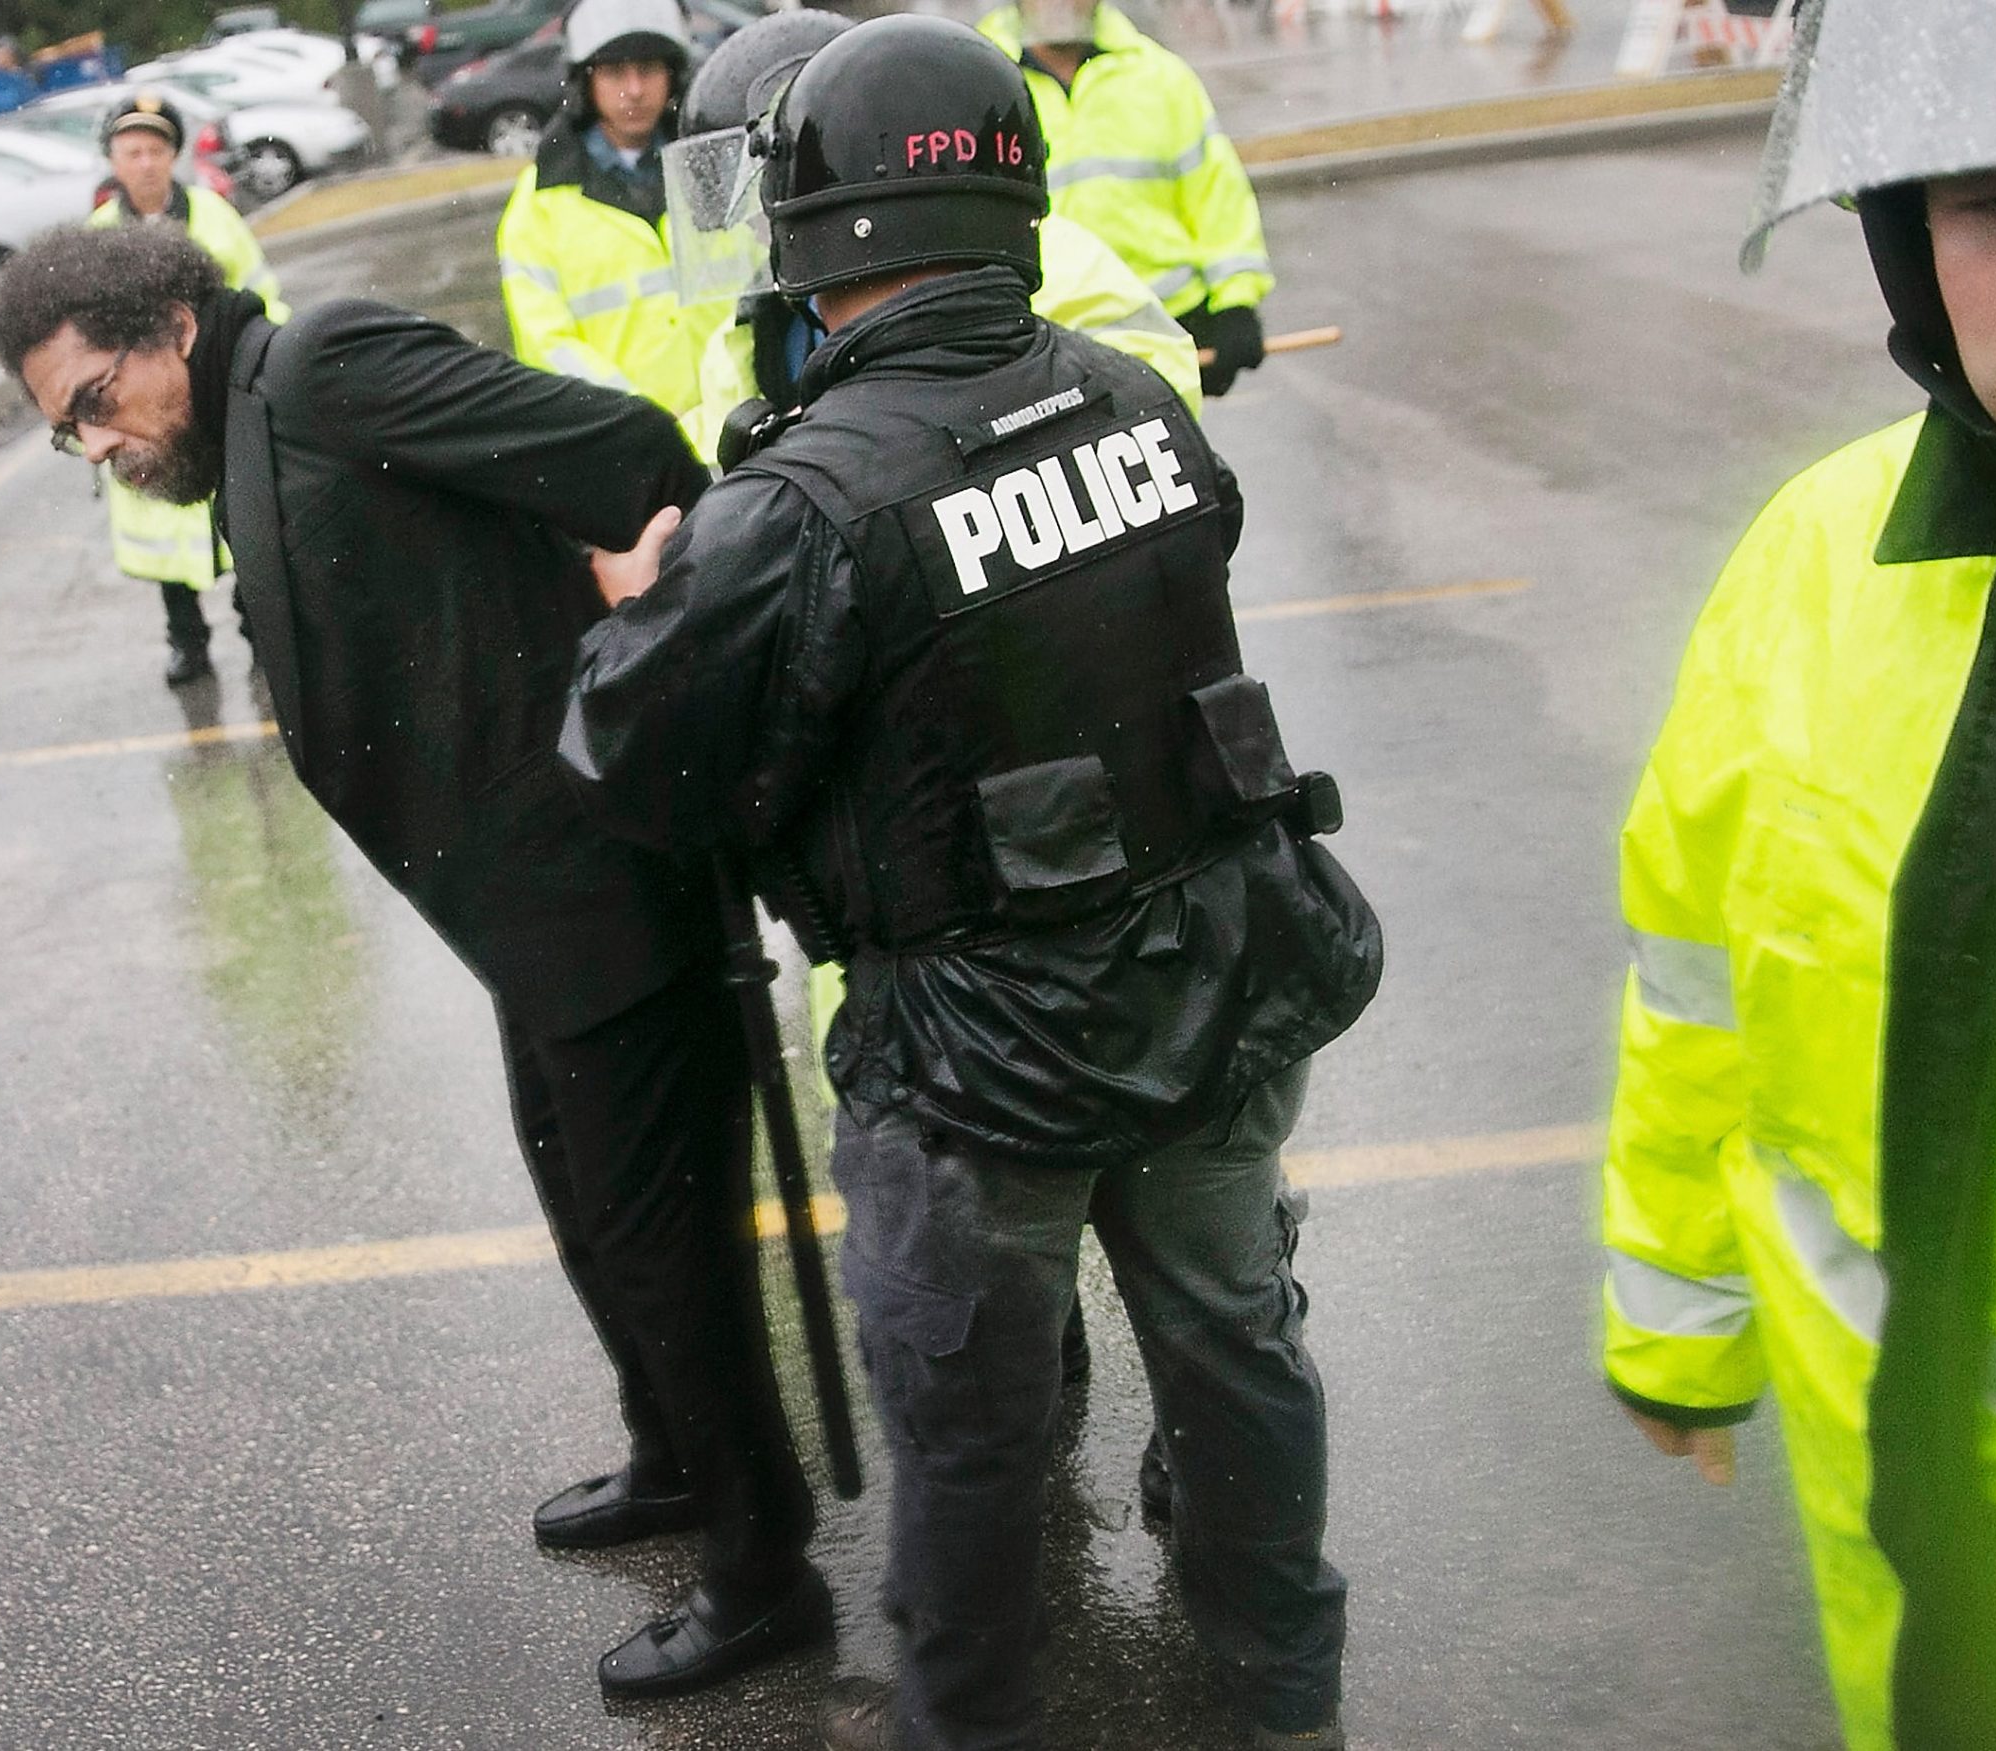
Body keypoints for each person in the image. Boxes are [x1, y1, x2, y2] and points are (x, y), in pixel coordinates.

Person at [559, 19, 1383, 1749]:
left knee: (974, 1440)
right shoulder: (1134, 391)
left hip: (978, 1061)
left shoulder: (801, 500)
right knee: (1238, 1358)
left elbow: (631, 752)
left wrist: (659, 584)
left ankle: (971, 1719)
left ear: (809, 221)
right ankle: (1283, 1695)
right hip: (1217, 984)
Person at [0, 222, 827, 1699]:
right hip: (518, 905)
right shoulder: (244, 426)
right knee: (583, 1193)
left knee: (665, 1234)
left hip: (605, 879)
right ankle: (676, 1456)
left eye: (95, 399)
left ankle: (765, 1571)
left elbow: (626, 447)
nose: (98, 442)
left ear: (174, 325)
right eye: (70, 432)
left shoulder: (325, 368)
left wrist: (646, 677)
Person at [1601, 2, 1996, 1745]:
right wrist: (1675, 1321)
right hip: (1914, 1592)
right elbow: (1693, 980)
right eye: (1992, 203)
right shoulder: (1821, 559)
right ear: (1908, 244)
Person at [664, 5, 1203, 465]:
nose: (755, 228)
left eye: (766, 199)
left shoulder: (1026, 251)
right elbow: (712, 461)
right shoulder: (751, 332)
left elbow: (1161, 387)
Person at [87, 90, 287, 687]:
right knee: (163, 538)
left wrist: (262, 370)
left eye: (156, 149)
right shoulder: (96, 236)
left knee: (241, 523)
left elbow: (261, 295)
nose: (145, 162)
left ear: (173, 156)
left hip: (214, 398)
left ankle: (259, 637)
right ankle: (188, 643)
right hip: (138, 414)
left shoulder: (212, 217)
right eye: (132, 151)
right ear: (114, 160)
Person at [976, 0, 1274, 399]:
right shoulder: (974, 84)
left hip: (1163, 336)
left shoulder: (1162, 78)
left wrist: (1235, 303)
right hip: (1035, 350)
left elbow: (1218, 198)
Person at [495, 0, 719, 417]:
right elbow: (545, 343)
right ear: (586, 82)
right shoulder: (539, 202)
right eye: (616, 72)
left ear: (672, 76)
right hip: (622, 446)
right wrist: (634, 419)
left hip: (737, 437)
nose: (634, 90)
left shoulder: (708, 171)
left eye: (649, 70)